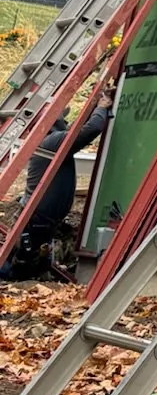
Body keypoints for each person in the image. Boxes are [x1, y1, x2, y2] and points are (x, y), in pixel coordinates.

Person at [0, 92, 113, 280]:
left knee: (29, 260)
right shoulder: (53, 142)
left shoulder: (49, 140)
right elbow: (90, 129)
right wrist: (102, 107)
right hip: (38, 218)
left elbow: (81, 129)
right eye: (63, 120)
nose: (67, 124)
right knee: (21, 267)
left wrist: (95, 105)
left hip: (39, 217)